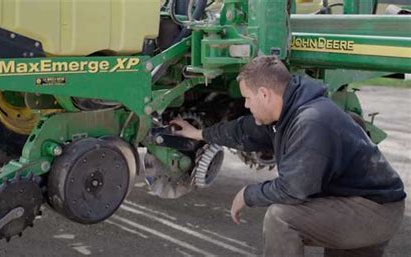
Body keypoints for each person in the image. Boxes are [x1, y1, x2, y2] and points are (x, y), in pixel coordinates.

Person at [170, 55, 406, 257]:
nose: (246, 104)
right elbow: (242, 130)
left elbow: (295, 189)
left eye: (248, 98)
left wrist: (247, 194)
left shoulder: (310, 121)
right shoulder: (289, 112)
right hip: (352, 202)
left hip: (374, 212)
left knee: (281, 217)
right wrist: (199, 133)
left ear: (264, 94)